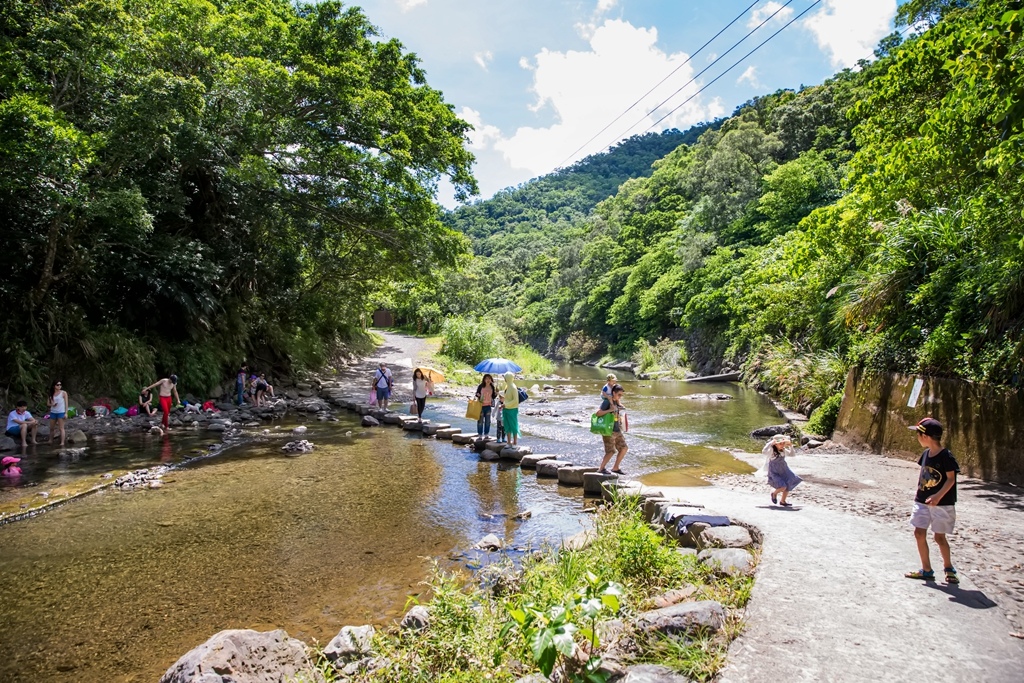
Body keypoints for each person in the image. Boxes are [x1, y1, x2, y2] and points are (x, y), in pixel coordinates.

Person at [904, 417, 960, 585]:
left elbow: (951, 479)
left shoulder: (946, 456)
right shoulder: (925, 454)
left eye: (918, 434)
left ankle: (949, 568)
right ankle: (926, 570)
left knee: (939, 537)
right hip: (922, 501)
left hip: (942, 505)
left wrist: (938, 496)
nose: (917, 438)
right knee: (919, 533)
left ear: (925, 436)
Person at [761, 434, 801, 506]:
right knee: (783, 486)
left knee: (789, 483)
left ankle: (783, 501)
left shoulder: (783, 450)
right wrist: (770, 443)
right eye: (780, 443)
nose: (782, 445)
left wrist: (790, 446)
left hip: (784, 469)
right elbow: (764, 451)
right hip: (775, 471)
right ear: (775, 444)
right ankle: (774, 493)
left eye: (783, 443)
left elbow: (792, 455)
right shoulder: (772, 451)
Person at [596, 384, 628, 474]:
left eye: (621, 395)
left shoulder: (616, 402)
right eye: (619, 395)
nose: (620, 397)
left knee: (624, 448)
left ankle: (615, 468)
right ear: (613, 393)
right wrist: (610, 410)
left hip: (617, 430)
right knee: (610, 451)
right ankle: (601, 469)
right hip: (608, 431)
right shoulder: (606, 402)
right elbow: (598, 413)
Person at [47, 380, 69, 446]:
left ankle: (62, 442)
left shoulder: (63, 393)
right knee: (51, 428)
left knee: (61, 428)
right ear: (54, 386)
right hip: (53, 412)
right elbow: (48, 403)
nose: (59, 386)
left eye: (60, 385)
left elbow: (66, 403)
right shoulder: (51, 393)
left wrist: (66, 413)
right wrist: (52, 404)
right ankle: (50, 440)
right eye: (57, 385)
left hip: (61, 412)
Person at [502, 372, 521, 446]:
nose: (504, 379)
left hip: (512, 409)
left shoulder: (513, 387)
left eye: (505, 378)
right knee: (507, 425)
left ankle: (515, 442)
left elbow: (516, 400)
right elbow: (507, 398)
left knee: (513, 425)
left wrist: (506, 404)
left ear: (508, 378)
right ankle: (508, 442)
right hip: (506, 408)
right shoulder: (507, 386)